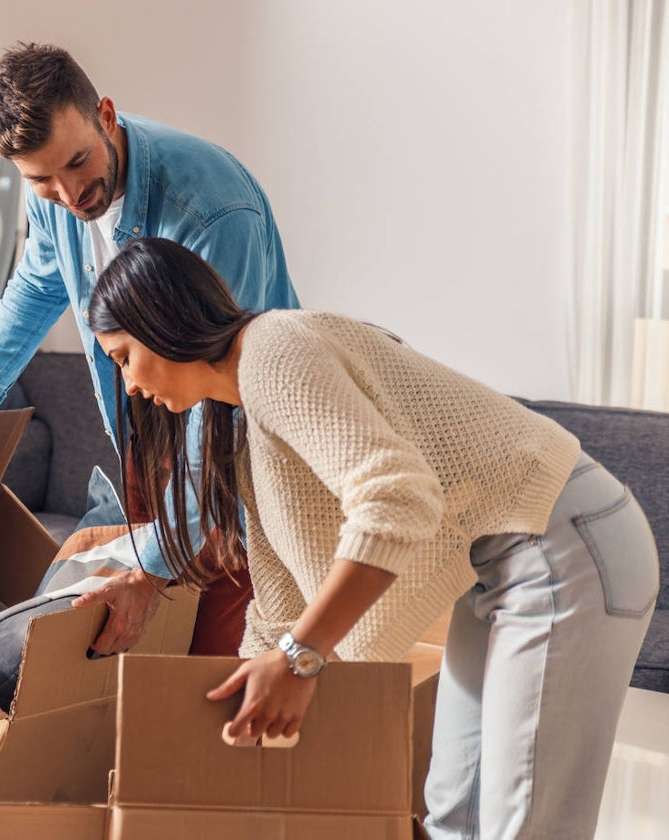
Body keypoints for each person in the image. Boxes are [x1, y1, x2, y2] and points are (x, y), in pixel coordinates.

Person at [87, 237, 659, 840]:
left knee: (522, 826)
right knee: (453, 814)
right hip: (501, 566)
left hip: (565, 539)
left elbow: (396, 497)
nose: (126, 384)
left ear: (162, 322)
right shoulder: (244, 428)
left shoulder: (274, 350)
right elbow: (279, 604)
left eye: (124, 357)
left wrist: (298, 660)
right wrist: (235, 721)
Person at [0, 42, 299, 655]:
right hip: (143, 418)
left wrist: (152, 569)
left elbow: (223, 402)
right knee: (132, 640)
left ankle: (217, 745)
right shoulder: (48, 186)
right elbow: (37, 284)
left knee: (216, 649)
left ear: (105, 114)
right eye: (42, 180)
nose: (70, 194)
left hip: (234, 438)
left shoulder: (210, 209)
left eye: (77, 163)